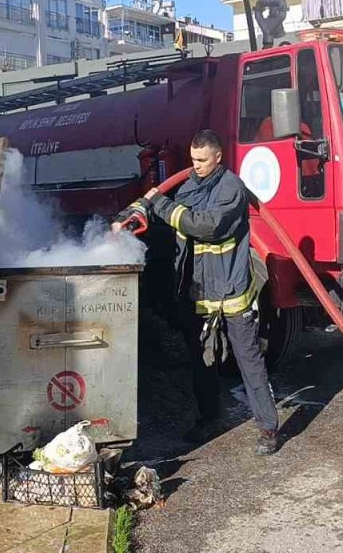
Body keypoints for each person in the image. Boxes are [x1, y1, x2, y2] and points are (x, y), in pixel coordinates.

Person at [113, 130, 280, 456]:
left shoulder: (231, 189)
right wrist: (131, 217)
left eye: (202, 160)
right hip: (199, 292)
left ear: (218, 157)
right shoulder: (190, 183)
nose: (196, 166)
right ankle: (209, 419)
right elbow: (165, 213)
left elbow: (205, 225)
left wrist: (159, 204)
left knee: (249, 361)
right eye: (193, 160)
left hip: (231, 293)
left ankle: (268, 428)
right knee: (202, 361)